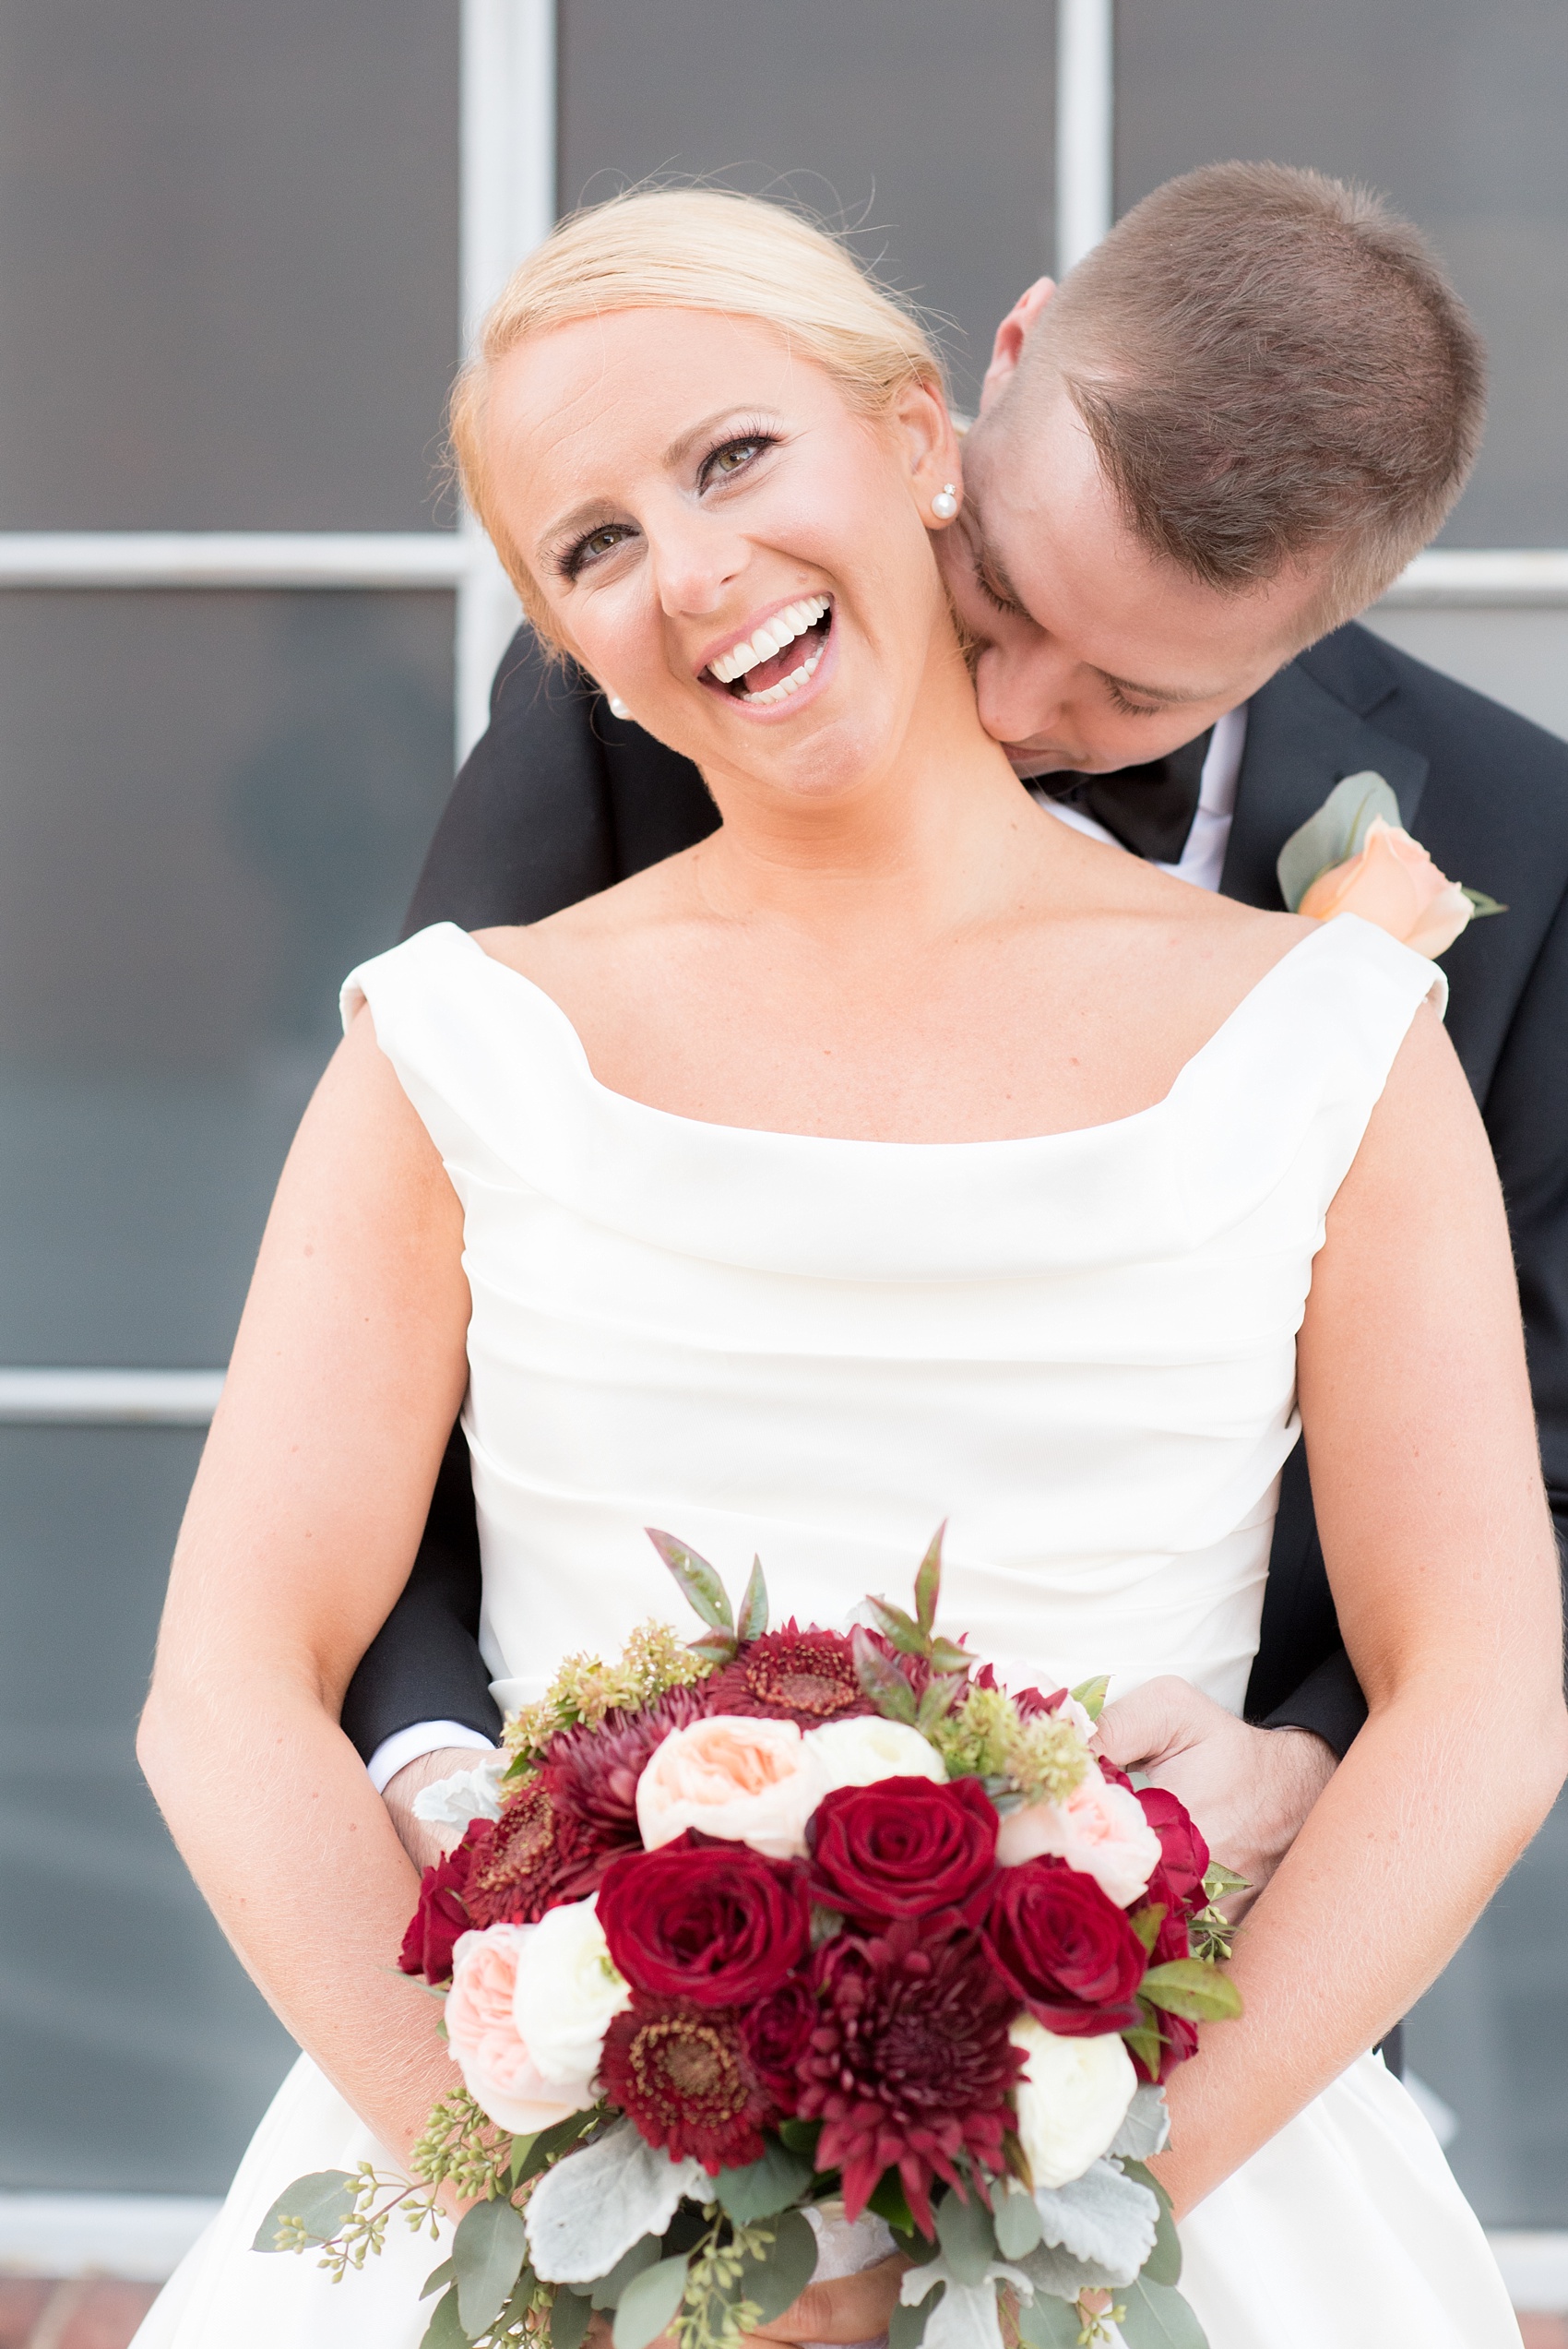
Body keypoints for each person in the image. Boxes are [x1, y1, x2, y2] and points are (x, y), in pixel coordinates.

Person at [133, 188, 1565, 2347]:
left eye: (730, 460)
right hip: (550, 2151)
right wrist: (556, 2210)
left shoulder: (1335, 1033)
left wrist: (1066, 2223)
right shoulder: (458, 1036)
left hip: (1166, 2142)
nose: (687, 566)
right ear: (558, 630)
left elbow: (1478, 1694)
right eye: (590, 546)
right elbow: (224, 1687)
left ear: (920, 444)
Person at [344, 168, 1568, 1961]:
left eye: (1130, 698)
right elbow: (402, 1300)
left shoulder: (1522, 851)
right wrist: (450, 1770)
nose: (1005, 715)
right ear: (993, 368)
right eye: (993, 593)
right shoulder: (648, 700)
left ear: (1321, 625)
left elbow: (1542, 1466)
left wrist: (1309, 1767)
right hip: (598, 1940)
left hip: (1193, 1953)